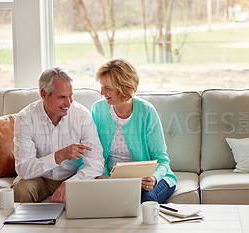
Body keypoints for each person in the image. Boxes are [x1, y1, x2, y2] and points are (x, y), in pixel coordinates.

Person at [12, 67, 105, 203]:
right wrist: (58, 156)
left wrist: (71, 183)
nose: (68, 103)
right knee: (22, 190)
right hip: (39, 179)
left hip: (73, 176)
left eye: (70, 96)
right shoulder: (25, 118)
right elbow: (24, 169)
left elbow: (96, 163)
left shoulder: (81, 115)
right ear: (44, 94)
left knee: (104, 185)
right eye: (62, 97)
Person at [91, 58, 177, 203]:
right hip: (112, 179)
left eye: (107, 87)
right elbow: (92, 153)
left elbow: (162, 159)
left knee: (146, 198)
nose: (101, 92)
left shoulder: (147, 111)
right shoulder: (97, 109)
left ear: (123, 87)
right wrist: (102, 178)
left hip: (150, 178)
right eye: (101, 86)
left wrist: (154, 178)